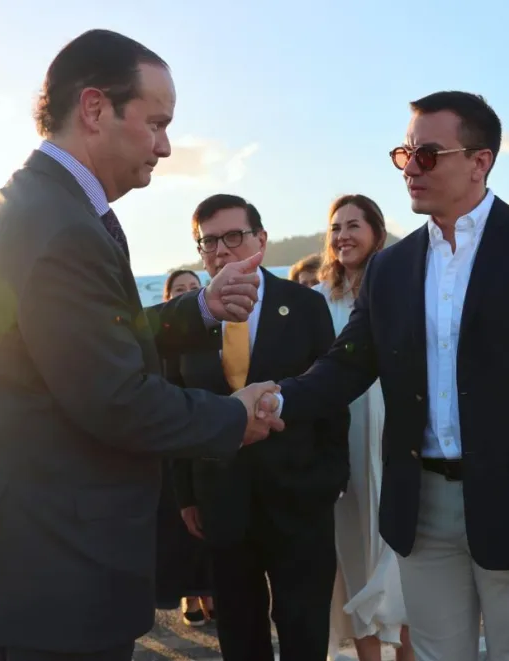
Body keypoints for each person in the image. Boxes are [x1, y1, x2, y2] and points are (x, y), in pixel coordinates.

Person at [0, 30, 282, 661]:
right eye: (156, 123)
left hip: (50, 552)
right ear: (95, 108)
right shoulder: (58, 224)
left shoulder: (48, 204)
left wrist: (197, 309)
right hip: (58, 560)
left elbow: (85, 339)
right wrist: (234, 416)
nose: (166, 146)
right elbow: (113, 396)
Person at [257, 91, 509, 661]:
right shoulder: (391, 267)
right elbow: (349, 362)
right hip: (418, 504)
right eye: (404, 154)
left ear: (480, 161)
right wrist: (276, 403)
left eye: (427, 155)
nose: (410, 170)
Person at [169, 194, 350, 661]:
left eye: (234, 237)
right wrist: (186, 494)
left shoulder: (304, 305)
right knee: (238, 626)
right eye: (208, 242)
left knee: (303, 623)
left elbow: (331, 395)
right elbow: (175, 406)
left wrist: (332, 476)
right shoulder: (188, 318)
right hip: (221, 501)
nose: (221, 250)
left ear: (261, 241)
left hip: (299, 495)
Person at [314, 194, 413, 661]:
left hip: (396, 437)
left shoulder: (402, 289)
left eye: (354, 225)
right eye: (335, 228)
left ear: (376, 232)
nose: (343, 236)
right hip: (343, 445)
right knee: (352, 556)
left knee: (405, 560)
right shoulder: (319, 302)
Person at [154, 269, 217, 625]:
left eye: (195, 288)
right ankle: (189, 595)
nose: (189, 293)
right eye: (180, 290)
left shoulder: (213, 335)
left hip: (205, 443)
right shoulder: (157, 346)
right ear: (168, 300)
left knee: (208, 528)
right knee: (181, 528)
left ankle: (210, 591)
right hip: (172, 451)